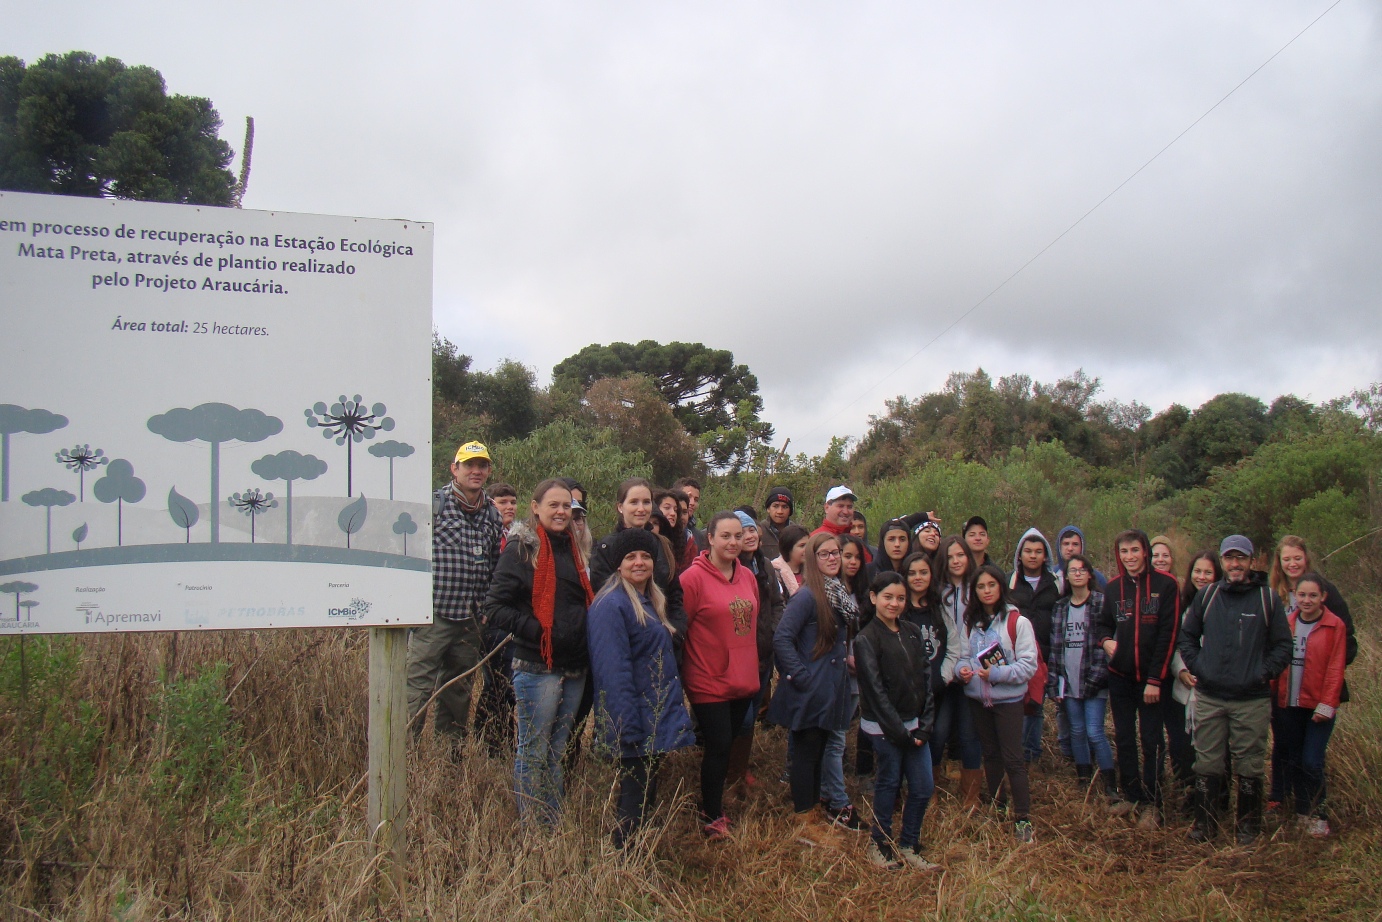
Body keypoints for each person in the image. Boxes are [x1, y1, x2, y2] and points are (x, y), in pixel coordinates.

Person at [483, 480, 595, 827]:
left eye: (567, 506)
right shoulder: (522, 549)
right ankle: (533, 827)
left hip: (575, 665)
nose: (561, 512)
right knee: (533, 750)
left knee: (557, 750)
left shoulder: (575, 548)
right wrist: (539, 631)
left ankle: (553, 822)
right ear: (535, 508)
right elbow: (495, 607)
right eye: (554, 505)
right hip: (537, 665)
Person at [1178, 535, 1292, 845]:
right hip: (1210, 697)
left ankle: (1247, 828)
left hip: (1251, 699)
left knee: (1250, 765)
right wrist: (1200, 667)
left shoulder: (1267, 599)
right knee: (1207, 763)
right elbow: (1187, 637)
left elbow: (1283, 646)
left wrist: (1262, 673)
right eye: (1229, 558)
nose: (1235, 564)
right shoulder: (1208, 596)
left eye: (1241, 558)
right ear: (1222, 561)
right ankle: (1205, 825)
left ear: (1252, 561)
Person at [586, 528, 696, 848]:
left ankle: (637, 858)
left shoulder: (647, 601)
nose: (639, 563)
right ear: (618, 564)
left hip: (650, 718)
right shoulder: (612, 605)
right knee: (633, 802)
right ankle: (624, 862)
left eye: (646, 556)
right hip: (634, 722)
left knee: (645, 795)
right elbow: (613, 671)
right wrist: (626, 727)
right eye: (630, 557)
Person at [407, 441, 506, 745]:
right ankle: (403, 755)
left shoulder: (492, 513)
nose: (476, 471)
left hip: (470, 620)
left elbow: (494, 565)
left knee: (459, 692)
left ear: (488, 471)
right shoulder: (433, 504)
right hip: (434, 615)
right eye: (469, 465)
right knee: (416, 688)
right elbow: (411, 553)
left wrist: (487, 609)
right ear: (454, 469)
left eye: (482, 465)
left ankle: (449, 759)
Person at [768, 532, 857, 847]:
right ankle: (804, 820)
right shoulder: (807, 596)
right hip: (811, 689)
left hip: (830, 687)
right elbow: (782, 638)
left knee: (818, 750)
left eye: (836, 553)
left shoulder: (837, 592)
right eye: (824, 554)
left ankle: (815, 810)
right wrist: (801, 676)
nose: (833, 558)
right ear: (812, 559)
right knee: (806, 753)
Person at [678, 511, 762, 838]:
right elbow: (680, 628)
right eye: (725, 536)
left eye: (738, 536)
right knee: (718, 743)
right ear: (710, 538)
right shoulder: (692, 579)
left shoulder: (748, 576)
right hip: (707, 677)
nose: (733, 542)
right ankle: (712, 813)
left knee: (728, 744)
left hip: (743, 677)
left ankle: (718, 799)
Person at [1093, 529, 1181, 827]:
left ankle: (1153, 803)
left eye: (1134, 550)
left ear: (1145, 551)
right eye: (1124, 551)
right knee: (1124, 737)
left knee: (1152, 740)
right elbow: (1103, 625)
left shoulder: (1166, 585)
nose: (1129, 557)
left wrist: (1155, 679)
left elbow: (1169, 635)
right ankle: (1130, 794)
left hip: (1152, 680)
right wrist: (1106, 641)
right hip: (1120, 676)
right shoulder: (1113, 588)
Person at [855, 571, 940, 870]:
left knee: (923, 786)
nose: (894, 603)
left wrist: (925, 724)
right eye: (888, 597)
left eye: (900, 598)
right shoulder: (866, 638)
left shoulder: (912, 632)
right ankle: (879, 843)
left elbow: (926, 679)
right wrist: (899, 733)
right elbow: (875, 692)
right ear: (874, 597)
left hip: (915, 725)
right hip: (884, 728)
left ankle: (909, 843)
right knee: (889, 784)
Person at [1266, 536, 1358, 810]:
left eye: (1297, 558)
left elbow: (1345, 641)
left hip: (1317, 687)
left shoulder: (1325, 591)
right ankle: (1282, 798)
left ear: (1306, 558)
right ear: (1279, 562)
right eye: (1286, 559)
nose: (1292, 563)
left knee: (1310, 755)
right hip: (1284, 685)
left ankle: (1313, 808)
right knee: (1284, 745)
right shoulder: (1274, 593)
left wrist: (1323, 672)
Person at [956, 564, 1040, 843]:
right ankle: (998, 805)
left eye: (991, 585)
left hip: (1008, 701)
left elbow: (1028, 665)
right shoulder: (971, 622)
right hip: (978, 700)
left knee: (1013, 759)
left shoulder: (1018, 622)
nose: (986, 591)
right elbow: (964, 656)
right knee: (990, 755)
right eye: (980, 587)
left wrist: (996, 674)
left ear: (1001, 587)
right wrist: (962, 671)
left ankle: (1023, 817)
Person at [1270, 572, 1347, 838]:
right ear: (1295, 596)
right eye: (1302, 595)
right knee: (1294, 759)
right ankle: (1303, 812)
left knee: (1312, 761)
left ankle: (1319, 814)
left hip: (1317, 707)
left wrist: (1328, 703)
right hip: (1288, 704)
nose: (1307, 600)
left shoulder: (1334, 625)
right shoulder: (1287, 623)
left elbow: (1336, 668)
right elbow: (1277, 662)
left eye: (1313, 595)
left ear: (1323, 597)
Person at [727, 510, 786, 789]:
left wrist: (772, 634)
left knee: (750, 715)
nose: (748, 536)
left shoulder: (765, 566)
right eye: (742, 532)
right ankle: (729, 770)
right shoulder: (730, 568)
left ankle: (740, 768)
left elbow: (777, 604)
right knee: (740, 716)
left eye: (751, 530)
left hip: (763, 652)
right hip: (739, 655)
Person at [1046, 554, 1113, 798]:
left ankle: (1110, 782)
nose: (1076, 574)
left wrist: (1096, 678)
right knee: (1076, 730)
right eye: (1072, 570)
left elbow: (1104, 644)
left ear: (1089, 574)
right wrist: (1054, 682)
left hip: (1094, 681)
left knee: (1094, 731)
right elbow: (1055, 647)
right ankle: (1084, 777)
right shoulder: (1061, 607)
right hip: (1069, 681)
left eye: (1081, 569)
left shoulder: (1100, 603)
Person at [1167, 551, 1223, 814]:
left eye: (1208, 572)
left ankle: (1216, 801)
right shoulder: (1182, 605)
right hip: (1184, 689)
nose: (1201, 577)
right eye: (1197, 571)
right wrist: (1180, 671)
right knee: (1182, 746)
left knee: (1213, 749)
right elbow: (1175, 644)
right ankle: (1189, 796)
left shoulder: (1225, 606)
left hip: (1215, 691)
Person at [934, 535, 985, 803]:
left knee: (969, 734)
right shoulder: (936, 591)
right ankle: (928, 791)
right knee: (938, 731)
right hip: (943, 673)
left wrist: (972, 666)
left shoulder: (977, 588)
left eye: (960, 555)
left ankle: (970, 797)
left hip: (971, 672)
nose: (955, 561)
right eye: (950, 556)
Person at [1006, 528, 1062, 765]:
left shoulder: (1056, 583)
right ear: (1020, 555)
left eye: (1038, 551)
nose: (1033, 555)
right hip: (1016, 653)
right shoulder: (1011, 581)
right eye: (1028, 551)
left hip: (1046, 653)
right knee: (1015, 704)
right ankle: (1014, 753)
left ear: (1045, 556)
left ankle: (1031, 755)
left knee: (1036, 704)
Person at [900, 552, 949, 771]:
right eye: (912, 573)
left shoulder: (941, 607)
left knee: (938, 734)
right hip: (907, 691)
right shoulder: (899, 609)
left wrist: (944, 676)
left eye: (923, 572)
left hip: (939, 687)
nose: (918, 577)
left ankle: (931, 777)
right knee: (911, 737)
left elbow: (954, 645)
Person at [1055, 525, 1108, 589]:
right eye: (1066, 544)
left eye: (1075, 544)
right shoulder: (1051, 575)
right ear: (1059, 547)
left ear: (1082, 547)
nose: (1070, 548)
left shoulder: (1097, 578)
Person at [758, 486, 796, 561]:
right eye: (776, 506)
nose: (780, 511)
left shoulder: (797, 533)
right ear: (768, 508)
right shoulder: (759, 531)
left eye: (785, 507)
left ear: (790, 511)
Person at [774, 524, 811, 598]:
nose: (807, 549)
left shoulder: (811, 569)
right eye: (802, 546)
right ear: (788, 547)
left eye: (809, 545)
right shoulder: (776, 572)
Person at [672, 477, 705, 550]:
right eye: (688, 497)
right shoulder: (660, 529)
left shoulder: (699, 537)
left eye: (696, 500)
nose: (692, 503)